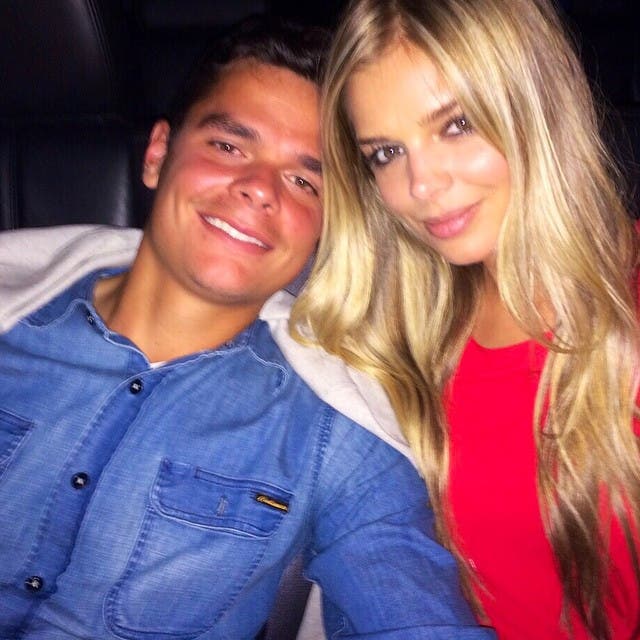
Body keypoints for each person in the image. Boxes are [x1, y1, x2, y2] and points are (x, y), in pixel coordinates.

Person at [0, 17, 495, 640]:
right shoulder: (14, 324)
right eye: (229, 147)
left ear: (327, 226)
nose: (260, 189)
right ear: (157, 154)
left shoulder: (336, 436)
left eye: (304, 180)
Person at [291, 0, 640, 638]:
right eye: (386, 152)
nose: (421, 184)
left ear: (538, 106)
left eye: (456, 126)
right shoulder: (394, 329)